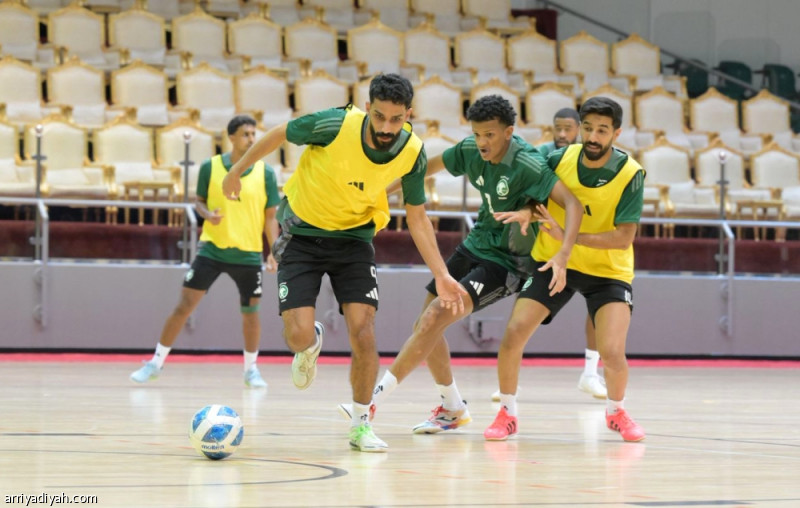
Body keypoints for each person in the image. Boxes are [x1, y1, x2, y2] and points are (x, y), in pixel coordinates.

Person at [221, 74, 467, 453]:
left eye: (396, 119)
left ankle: (360, 424)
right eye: (379, 116)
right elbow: (281, 132)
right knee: (297, 336)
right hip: (302, 232)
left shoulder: (412, 152)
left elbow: (417, 218)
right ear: (367, 108)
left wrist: (442, 274)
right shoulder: (335, 125)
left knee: (363, 329)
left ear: (408, 115)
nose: (386, 127)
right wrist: (236, 170)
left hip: (354, 239)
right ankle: (310, 343)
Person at [338, 95, 583, 435]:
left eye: (490, 135)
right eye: (477, 134)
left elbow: (573, 203)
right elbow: (423, 169)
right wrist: (378, 194)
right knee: (425, 323)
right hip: (475, 244)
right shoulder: (470, 150)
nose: (482, 142)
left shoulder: (527, 164)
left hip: (507, 261)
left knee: (434, 317)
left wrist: (563, 253)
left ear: (508, 132)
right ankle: (452, 407)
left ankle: (371, 400)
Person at [489, 96, 646, 442]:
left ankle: (616, 411)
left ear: (616, 134)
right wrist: (528, 211)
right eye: (588, 128)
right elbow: (536, 196)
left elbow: (623, 238)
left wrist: (569, 237)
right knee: (515, 332)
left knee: (612, 351)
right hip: (554, 261)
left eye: (602, 130)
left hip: (608, 271)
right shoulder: (558, 158)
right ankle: (507, 414)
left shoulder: (630, 174)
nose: (593, 137)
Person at [130, 115, 280, 388]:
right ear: (231, 137)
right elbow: (198, 202)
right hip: (212, 250)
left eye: (253, 134)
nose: (251, 139)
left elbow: (271, 217)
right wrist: (207, 214)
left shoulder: (266, 173)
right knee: (184, 306)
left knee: (251, 313)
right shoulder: (211, 167)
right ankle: (155, 363)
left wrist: (274, 251)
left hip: (248, 254)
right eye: (245, 134)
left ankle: (251, 370)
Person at [490, 106, 607, 402]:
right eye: (558, 128)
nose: (563, 134)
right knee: (522, 313)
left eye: (569, 128)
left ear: (579, 129)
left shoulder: (593, 158)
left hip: (585, 247)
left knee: (598, 309)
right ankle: (507, 381)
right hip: (546, 246)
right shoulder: (545, 155)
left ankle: (590, 374)